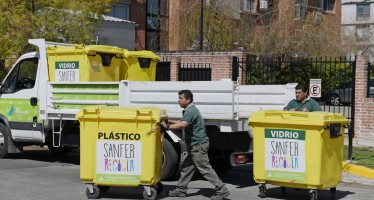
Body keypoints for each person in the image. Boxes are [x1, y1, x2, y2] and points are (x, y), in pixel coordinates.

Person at [161, 90, 229, 200]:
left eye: (181, 98)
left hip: (197, 146)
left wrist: (167, 127)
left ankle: (222, 190)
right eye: (179, 98)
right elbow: (182, 121)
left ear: (188, 99)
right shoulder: (188, 110)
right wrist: (169, 122)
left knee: (205, 169)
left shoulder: (191, 111)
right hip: (193, 146)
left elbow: (183, 124)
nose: (178, 100)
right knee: (186, 167)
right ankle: (181, 190)